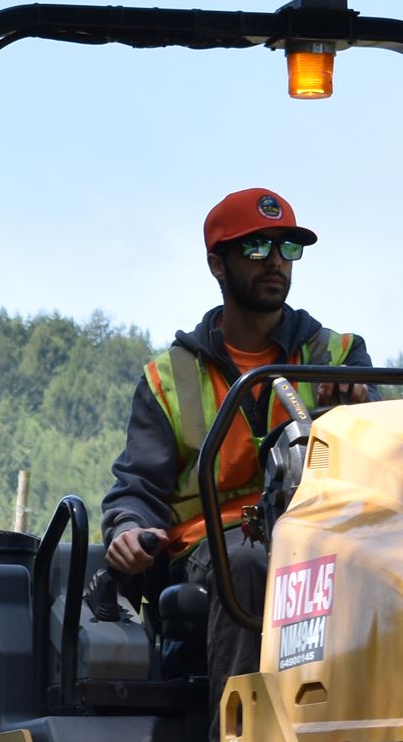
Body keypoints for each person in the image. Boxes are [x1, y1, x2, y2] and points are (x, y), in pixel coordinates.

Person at [101, 187, 371, 692]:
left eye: (287, 249)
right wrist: (127, 528)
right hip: (211, 552)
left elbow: (380, 447)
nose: (275, 262)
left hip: (316, 537)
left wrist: (359, 400)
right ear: (217, 265)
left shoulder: (336, 353)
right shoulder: (171, 377)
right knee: (247, 565)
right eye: (256, 248)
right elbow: (138, 484)